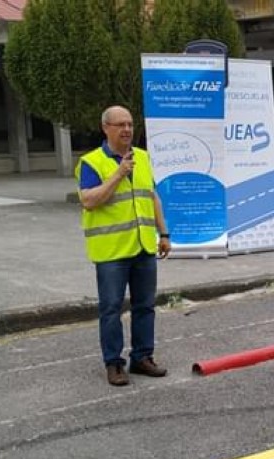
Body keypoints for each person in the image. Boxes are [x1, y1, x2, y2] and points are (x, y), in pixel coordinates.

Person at [76, 105, 172, 386]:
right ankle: (114, 363)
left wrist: (164, 233)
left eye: (130, 124)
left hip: (143, 247)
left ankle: (142, 357)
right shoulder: (92, 162)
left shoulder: (142, 157)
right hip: (112, 251)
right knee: (111, 309)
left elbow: (151, 196)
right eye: (120, 125)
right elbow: (89, 200)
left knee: (145, 306)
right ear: (105, 128)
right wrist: (118, 174)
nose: (127, 130)